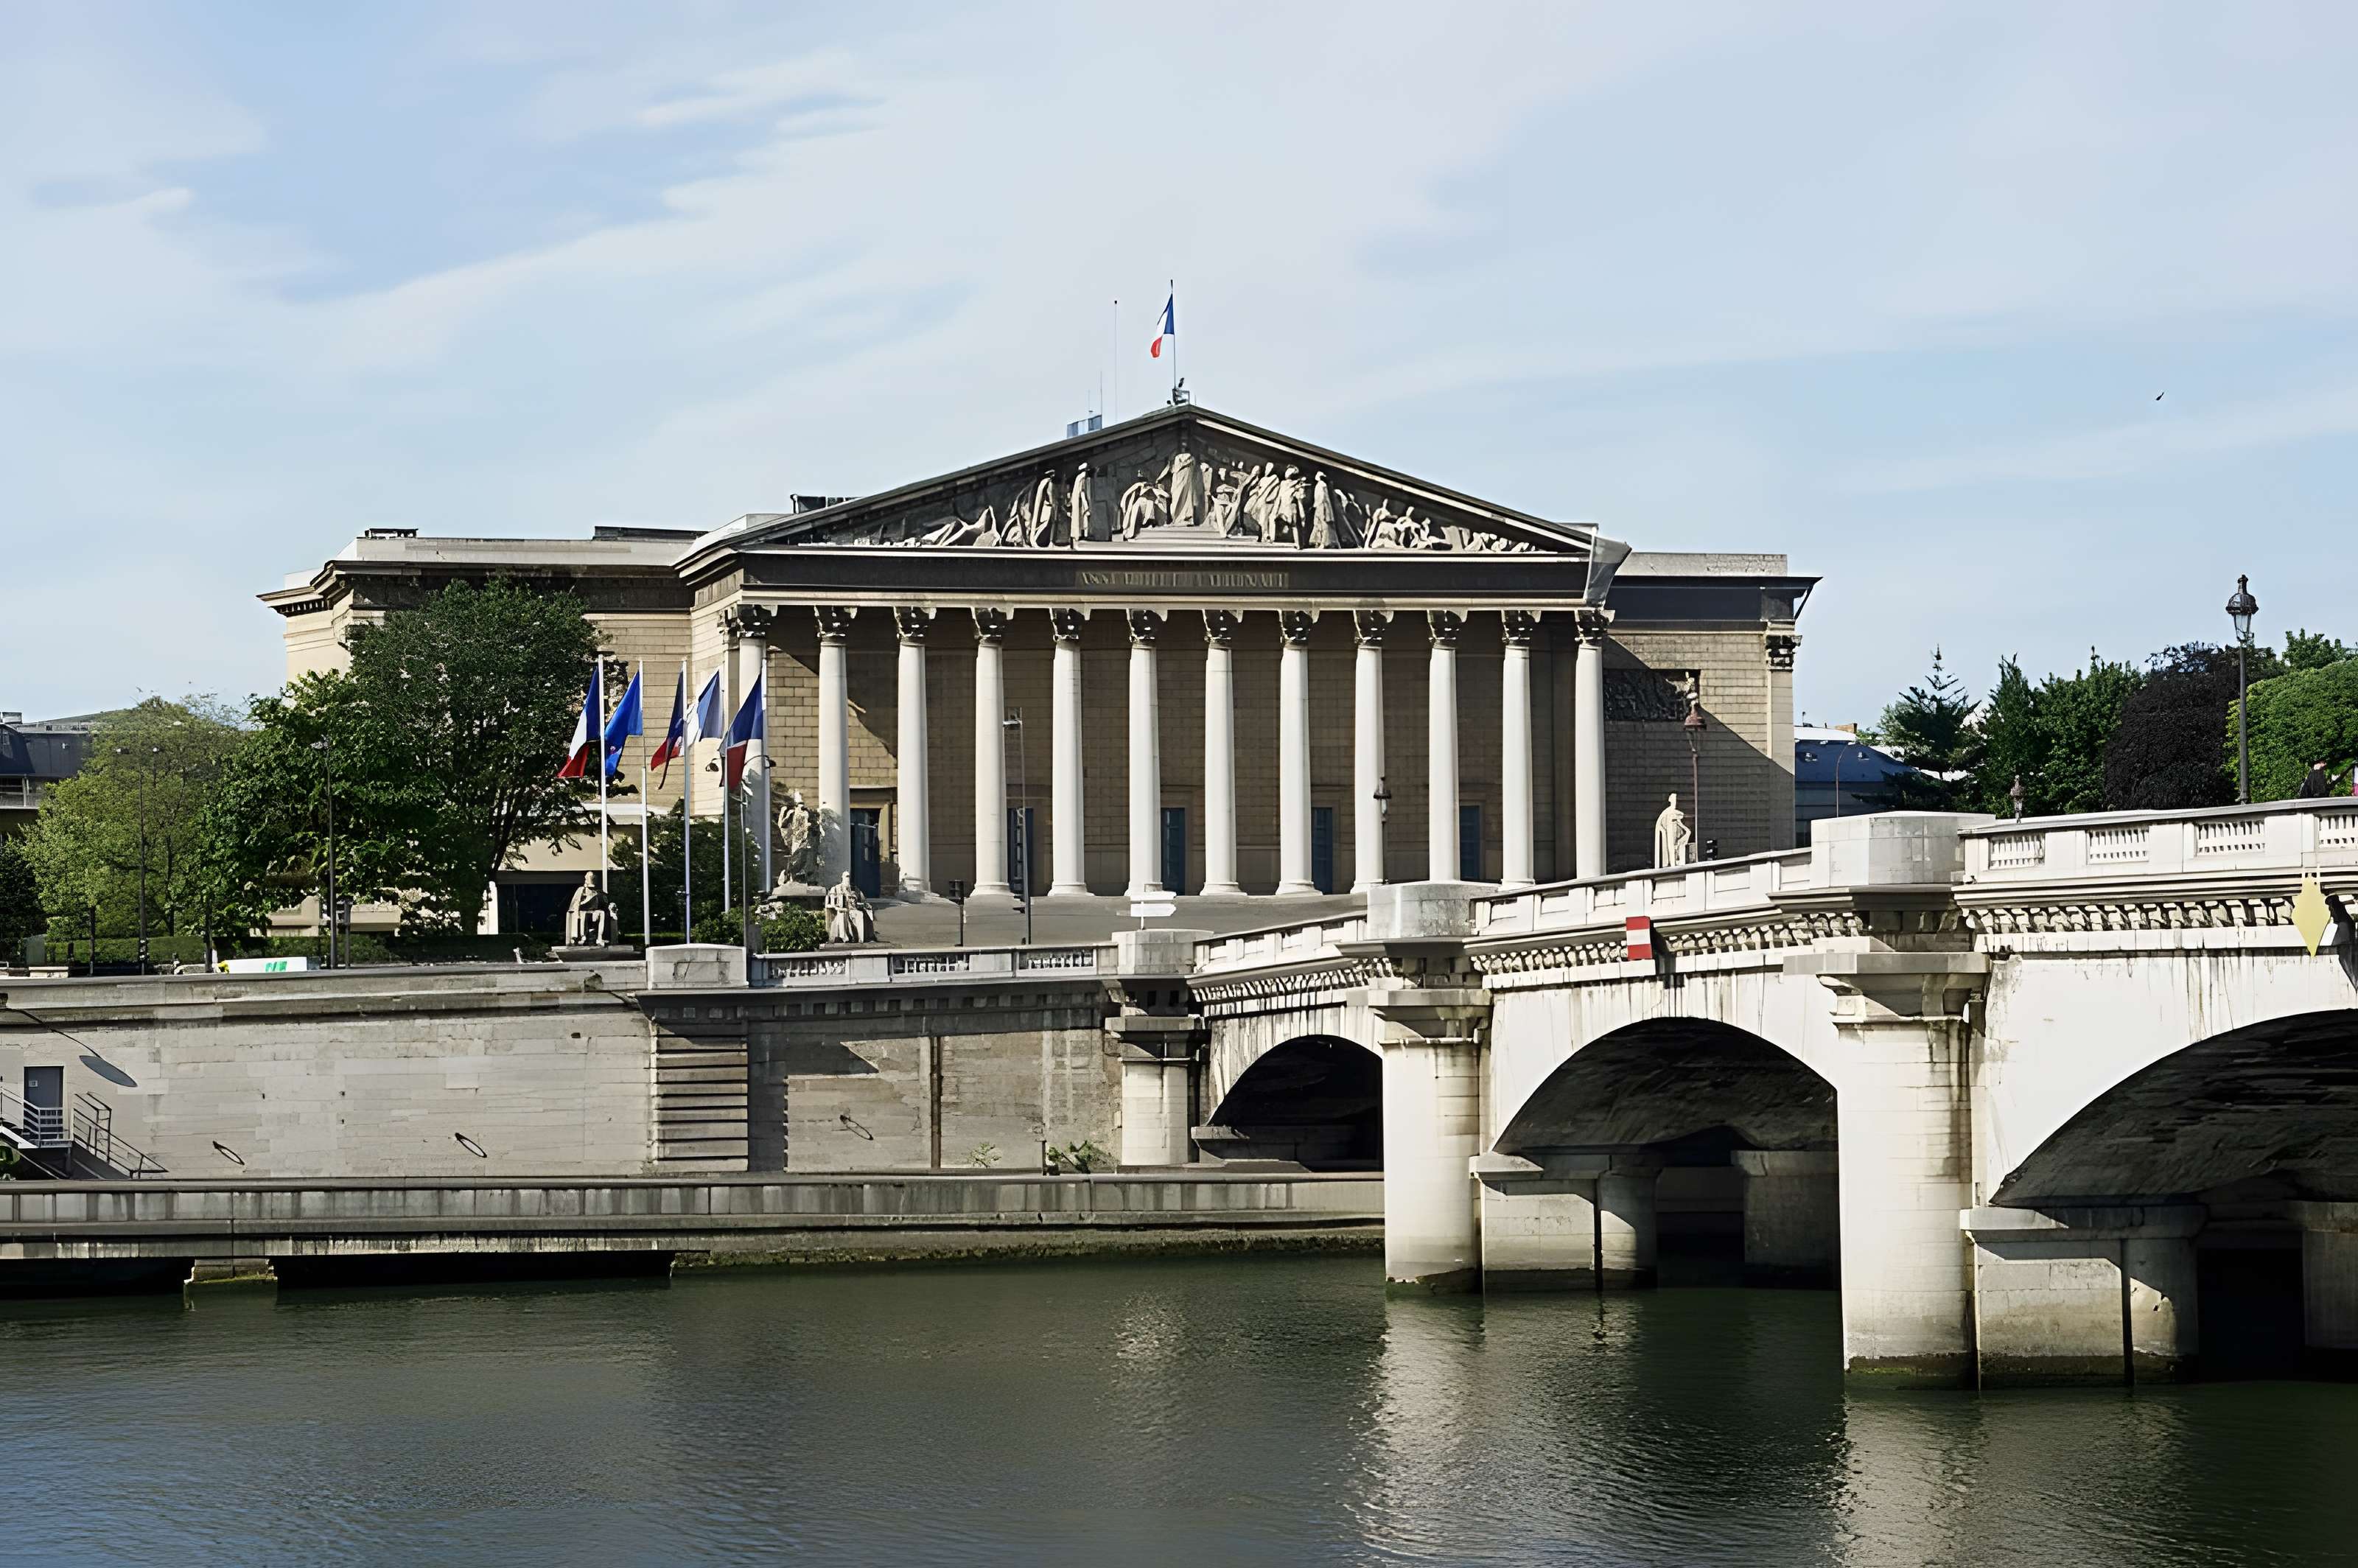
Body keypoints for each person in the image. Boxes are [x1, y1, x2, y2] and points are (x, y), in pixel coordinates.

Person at [825, 872, 877, 945]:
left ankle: (862, 938)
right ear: (842, 878)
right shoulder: (836, 888)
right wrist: (839, 908)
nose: (848, 878)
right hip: (843, 910)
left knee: (861, 914)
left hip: (853, 909)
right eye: (846, 876)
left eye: (849, 877)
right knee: (843, 914)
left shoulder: (854, 889)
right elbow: (832, 904)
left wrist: (866, 905)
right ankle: (845, 937)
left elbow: (862, 900)